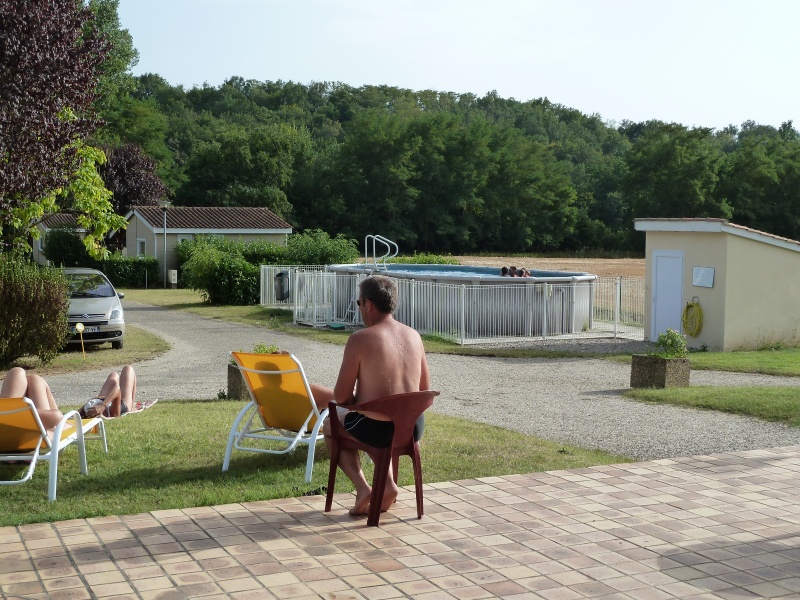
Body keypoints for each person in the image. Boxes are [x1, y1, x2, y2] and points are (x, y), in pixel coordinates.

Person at [310, 275, 431, 517]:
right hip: (413, 428)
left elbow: (342, 397)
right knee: (374, 417)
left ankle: (364, 488)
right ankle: (386, 485)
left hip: (379, 429)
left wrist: (364, 398)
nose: (360, 310)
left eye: (358, 304)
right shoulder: (414, 336)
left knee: (330, 424)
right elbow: (424, 388)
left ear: (369, 304)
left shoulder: (360, 339)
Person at [0, 365, 138, 426]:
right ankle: (132, 406)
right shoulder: (111, 412)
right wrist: (102, 405)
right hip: (120, 403)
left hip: (103, 399)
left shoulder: (87, 412)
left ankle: (10, 416)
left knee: (21, 373)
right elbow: (118, 390)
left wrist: (82, 411)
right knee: (127, 369)